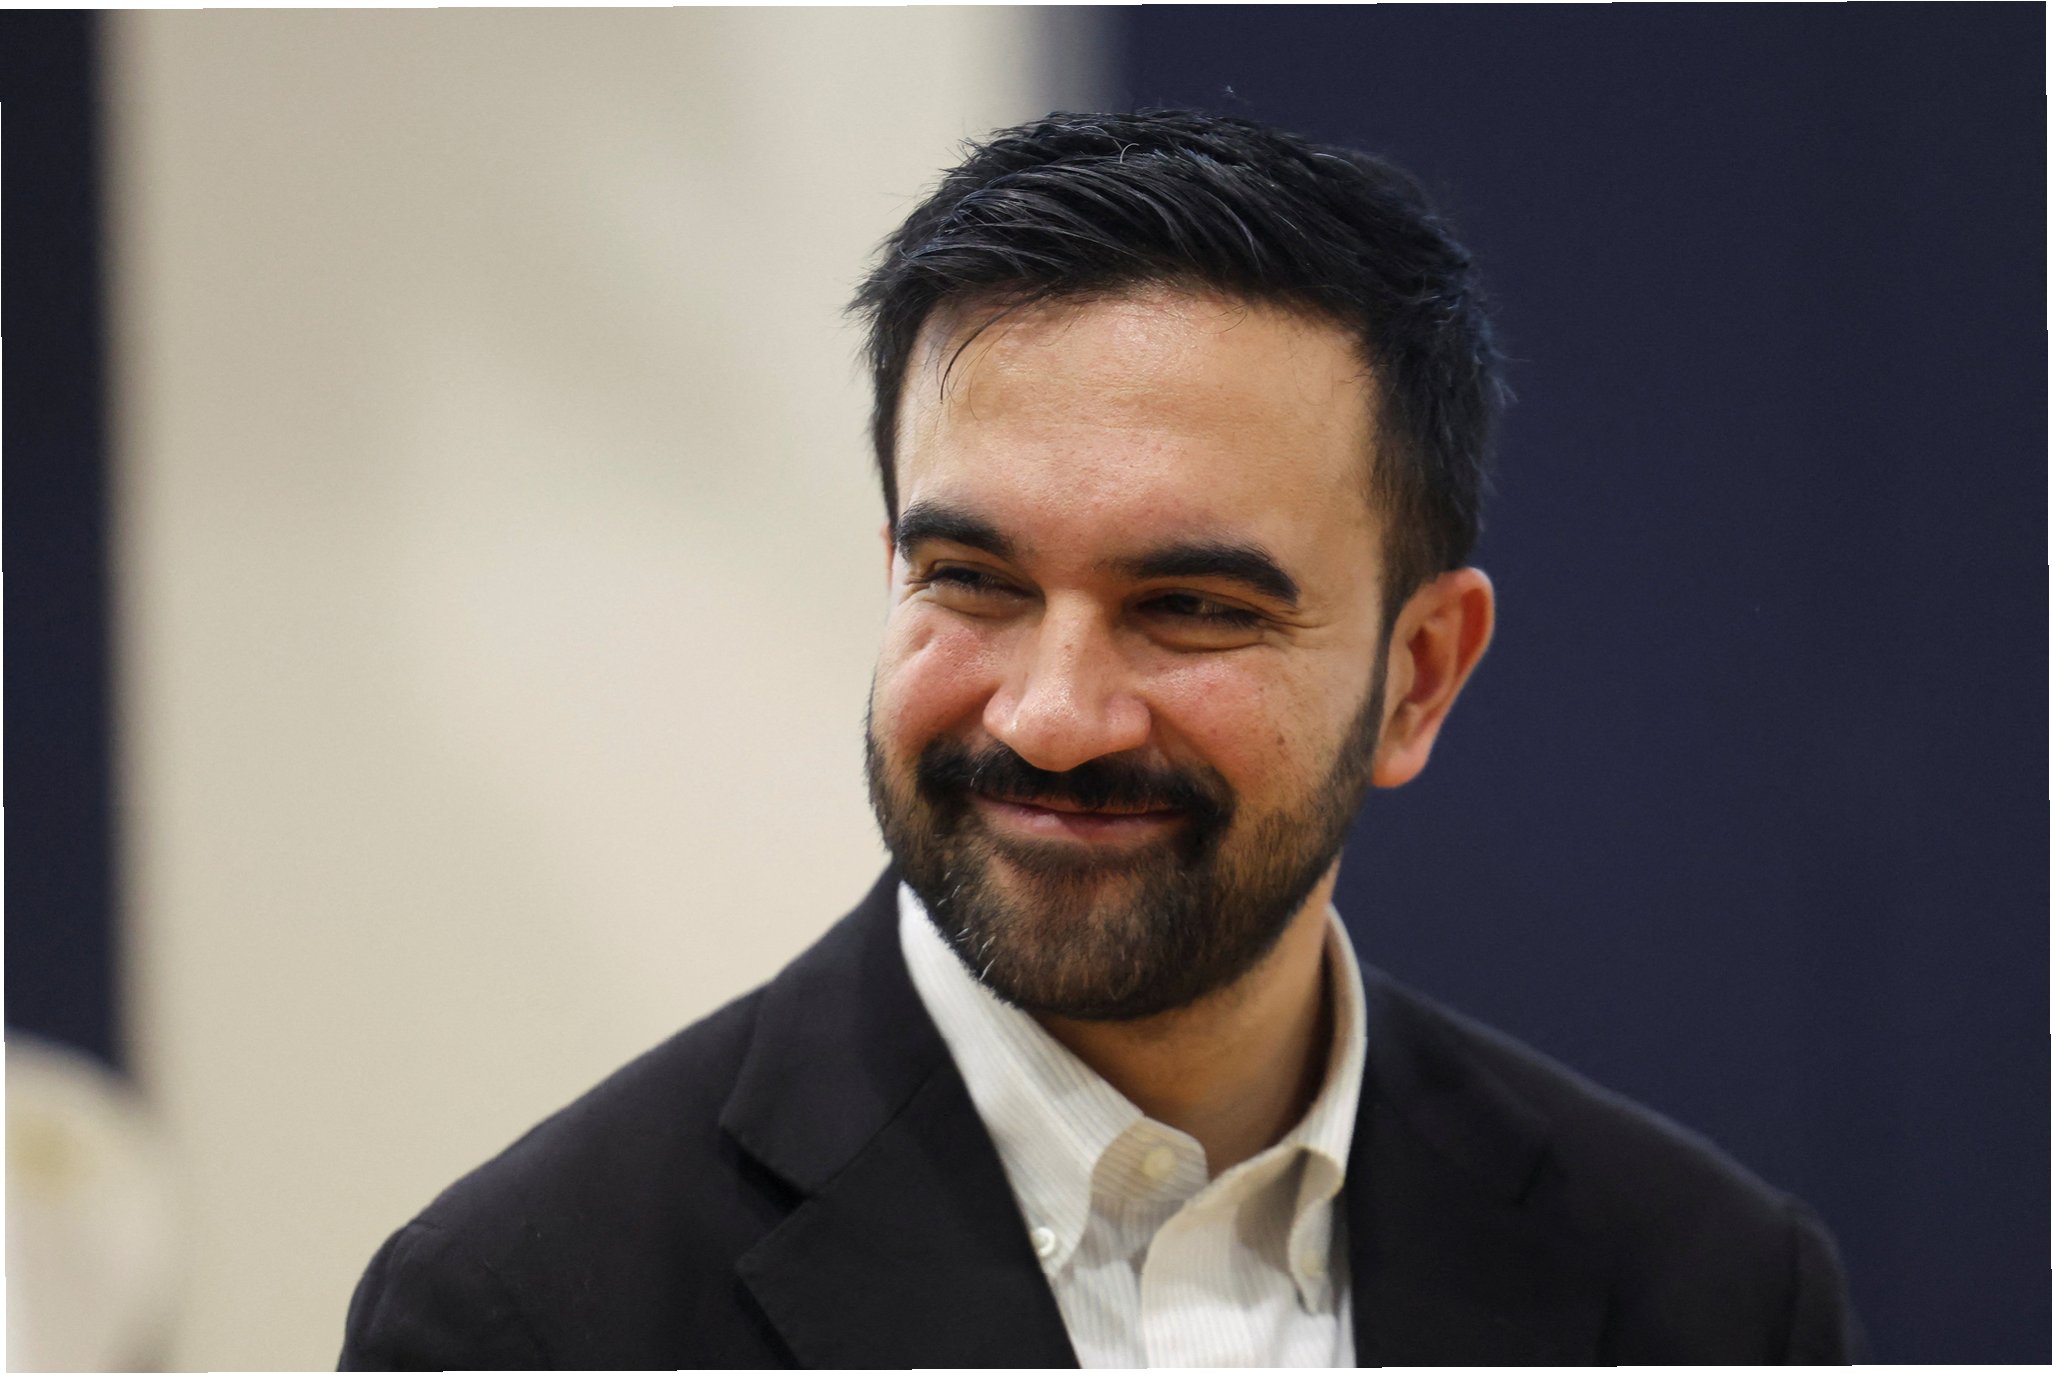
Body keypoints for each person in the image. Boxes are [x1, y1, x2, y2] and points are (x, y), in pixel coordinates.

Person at [338, 110, 1863, 1368]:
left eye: (1190, 605)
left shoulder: (1709, 1301)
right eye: (972, 579)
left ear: (1419, 677)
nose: (1052, 715)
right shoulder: (529, 1319)